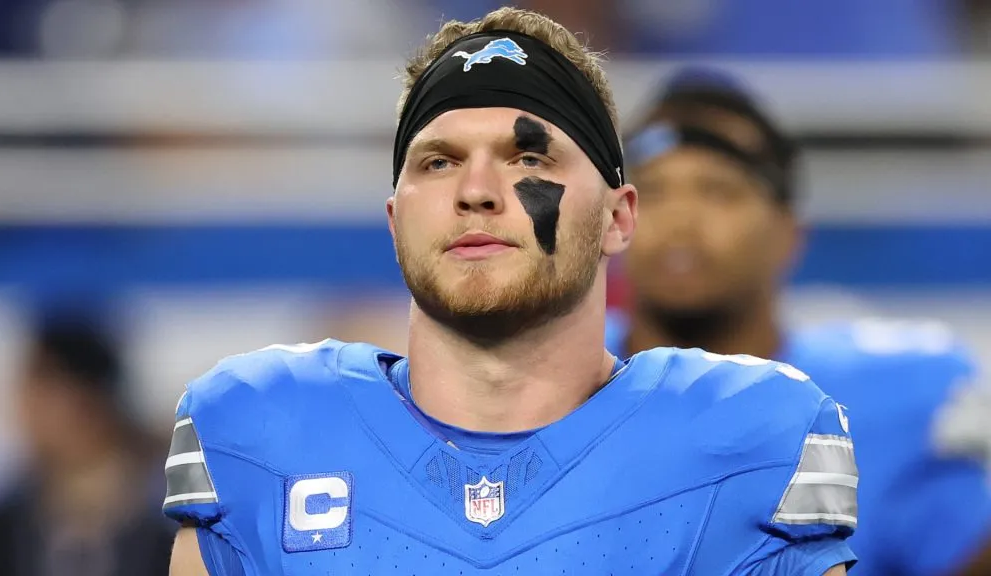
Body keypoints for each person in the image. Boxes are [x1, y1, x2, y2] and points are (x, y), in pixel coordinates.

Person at [164, 8, 856, 575]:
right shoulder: (259, 435)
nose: (475, 192)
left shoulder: (747, 440)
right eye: (438, 162)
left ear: (619, 218)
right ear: (396, 218)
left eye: (529, 157)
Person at [612, 66, 991, 576]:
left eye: (718, 191)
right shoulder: (550, 380)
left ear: (789, 235)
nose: (681, 219)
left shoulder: (894, 396)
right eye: (654, 192)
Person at [0, 313, 174, 576]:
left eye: (41, 393)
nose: (24, 411)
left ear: (88, 398)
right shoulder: (1, 525)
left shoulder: (165, 518)